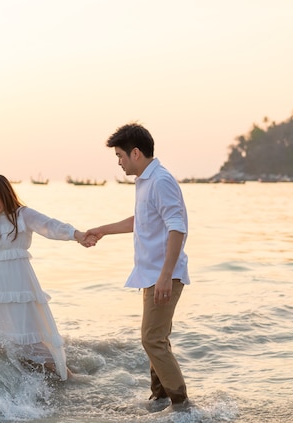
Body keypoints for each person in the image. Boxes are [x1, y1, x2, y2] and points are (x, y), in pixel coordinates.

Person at [0, 174, 90, 381]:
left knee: (31, 344)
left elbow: (50, 226)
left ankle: (69, 379)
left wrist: (77, 235)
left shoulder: (23, 215)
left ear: (6, 195)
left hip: (18, 289)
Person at [85, 123, 190, 409]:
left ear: (135, 153)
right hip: (152, 274)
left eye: (120, 155)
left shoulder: (161, 181)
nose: (118, 161)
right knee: (157, 339)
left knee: (152, 339)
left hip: (163, 274)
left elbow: (177, 228)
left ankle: (181, 405)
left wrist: (166, 275)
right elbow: (139, 221)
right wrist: (102, 230)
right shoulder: (145, 181)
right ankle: (160, 398)